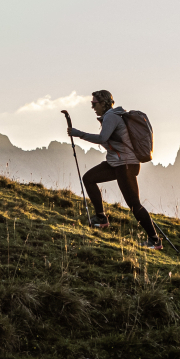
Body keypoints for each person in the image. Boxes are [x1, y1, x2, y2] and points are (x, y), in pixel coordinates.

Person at [62, 90, 163, 249]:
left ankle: (155, 240)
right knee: (89, 178)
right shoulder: (111, 116)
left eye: (94, 103)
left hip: (125, 165)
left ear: (103, 103)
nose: (92, 107)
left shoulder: (111, 116)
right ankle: (101, 218)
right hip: (117, 163)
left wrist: (78, 134)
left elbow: (102, 138)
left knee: (134, 205)